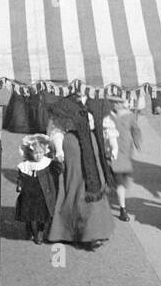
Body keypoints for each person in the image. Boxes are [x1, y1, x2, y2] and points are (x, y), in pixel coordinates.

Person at [45, 94, 118, 250]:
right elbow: (56, 129)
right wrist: (58, 149)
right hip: (72, 147)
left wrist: (113, 144)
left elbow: (106, 124)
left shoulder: (98, 101)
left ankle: (94, 232)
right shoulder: (63, 104)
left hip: (92, 146)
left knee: (95, 183)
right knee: (75, 185)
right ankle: (67, 230)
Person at [15, 133, 60, 244]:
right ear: (30, 153)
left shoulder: (47, 163)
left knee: (42, 213)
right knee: (29, 211)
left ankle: (40, 232)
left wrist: (58, 159)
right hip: (30, 191)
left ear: (44, 152)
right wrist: (20, 184)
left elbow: (58, 170)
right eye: (35, 153)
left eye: (40, 153)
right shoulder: (26, 165)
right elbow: (21, 176)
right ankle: (30, 229)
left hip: (43, 192)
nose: (38, 156)